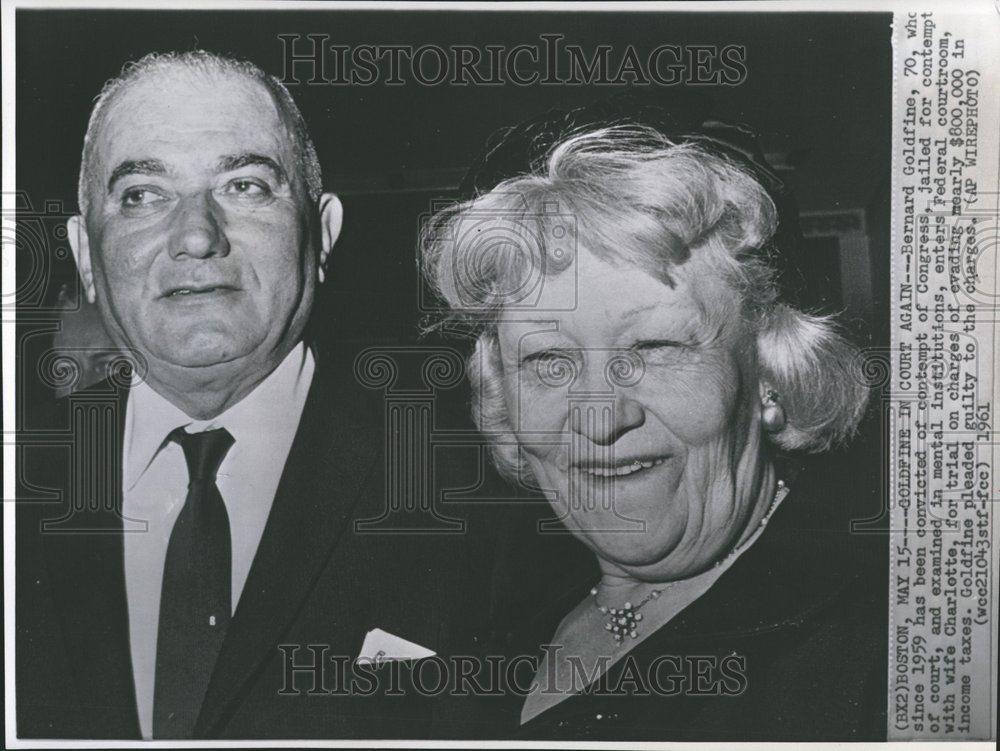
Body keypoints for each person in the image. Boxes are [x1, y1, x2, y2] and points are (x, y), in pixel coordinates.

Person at [15, 50, 497, 740]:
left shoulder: (478, 479)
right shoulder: (18, 485)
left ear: (323, 231)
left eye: (244, 185)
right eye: (142, 195)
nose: (196, 236)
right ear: (86, 255)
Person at [420, 107, 887, 740]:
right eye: (548, 360)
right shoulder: (492, 605)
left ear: (771, 376)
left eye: (654, 348)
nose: (601, 415)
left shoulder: (881, 649)